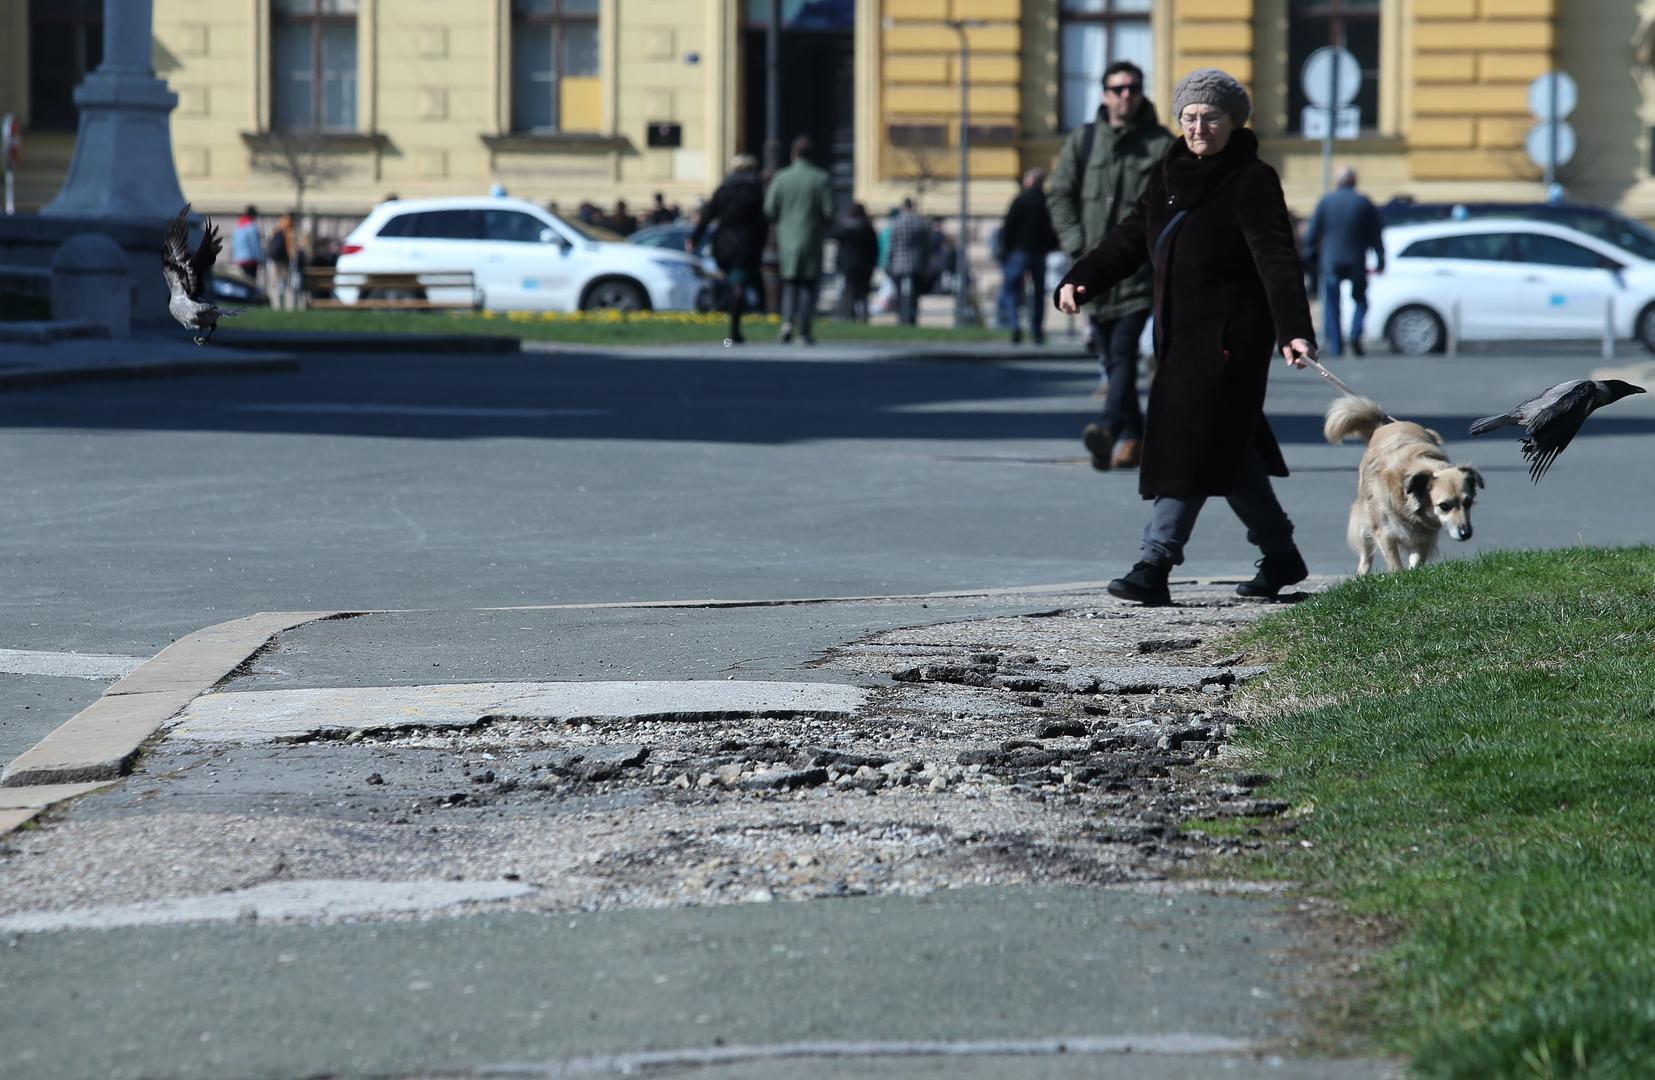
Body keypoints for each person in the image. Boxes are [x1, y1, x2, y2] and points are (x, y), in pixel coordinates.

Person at [1055, 68, 1318, 607]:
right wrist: (1082, 278)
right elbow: (1131, 236)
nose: (1198, 127)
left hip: (1229, 341)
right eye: (1189, 117)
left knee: (1190, 442)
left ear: (1233, 121)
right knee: (1231, 450)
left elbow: (1276, 257)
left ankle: (1154, 563)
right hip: (1178, 337)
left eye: (1210, 117)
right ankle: (1281, 556)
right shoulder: (1170, 171)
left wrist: (1293, 330)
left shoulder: (1252, 178)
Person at [1050, 59, 1174, 471]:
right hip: (1093, 273)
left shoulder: (1160, 144)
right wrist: (1075, 247)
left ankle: (1106, 427)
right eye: (1118, 88)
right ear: (1104, 94)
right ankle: (1135, 437)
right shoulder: (1084, 141)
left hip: (1139, 275)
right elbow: (1060, 194)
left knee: (1122, 353)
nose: (1126, 95)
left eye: (1133, 88)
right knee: (1109, 357)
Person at [1300, 165, 1385, 357]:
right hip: (1356, 260)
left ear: (1337, 182)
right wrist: (1380, 258)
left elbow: (1312, 233)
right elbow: (1375, 234)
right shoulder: (1364, 202)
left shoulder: (1326, 202)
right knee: (1360, 299)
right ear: (1355, 181)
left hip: (1330, 260)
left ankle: (1336, 345)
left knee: (1331, 302)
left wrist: (1310, 256)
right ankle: (1355, 334)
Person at [763, 135, 835, 344]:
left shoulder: (782, 178)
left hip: (787, 239)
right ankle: (804, 330)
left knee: (790, 283)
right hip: (812, 238)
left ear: (794, 154)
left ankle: (786, 323)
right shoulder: (821, 178)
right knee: (807, 285)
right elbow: (829, 211)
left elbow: (769, 209)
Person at [689, 154, 767, 344]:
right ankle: (735, 327)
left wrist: (694, 238)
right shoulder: (756, 191)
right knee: (739, 283)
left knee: (734, 281)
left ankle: (734, 321)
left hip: (724, 244)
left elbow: (707, 216)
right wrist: (762, 243)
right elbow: (763, 221)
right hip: (747, 243)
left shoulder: (723, 190)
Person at [996, 168, 1060, 344]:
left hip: (1019, 252)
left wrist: (1005, 251)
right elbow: (1054, 228)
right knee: (1039, 293)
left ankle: (1015, 325)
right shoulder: (1047, 202)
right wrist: (1051, 246)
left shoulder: (1020, 201)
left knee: (1011, 289)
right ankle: (1036, 329)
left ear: (1030, 181)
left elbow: (1009, 227)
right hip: (1039, 253)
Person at [883, 199, 930, 326]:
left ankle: (901, 317)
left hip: (898, 264)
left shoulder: (896, 223)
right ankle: (912, 317)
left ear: (903, 207)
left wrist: (888, 263)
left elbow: (891, 246)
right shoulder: (921, 223)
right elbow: (926, 246)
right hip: (916, 264)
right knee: (914, 294)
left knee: (899, 293)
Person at [831, 203, 879, 322]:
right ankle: (863, 316)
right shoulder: (867, 228)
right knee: (863, 294)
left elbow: (834, 236)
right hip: (864, 265)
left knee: (847, 291)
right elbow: (874, 249)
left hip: (847, 265)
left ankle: (846, 315)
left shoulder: (843, 227)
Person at [264, 213, 294, 309]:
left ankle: (277, 305)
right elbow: (290, 249)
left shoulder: (277, 228)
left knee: (276, 284)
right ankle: (282, 304)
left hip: (274, 259)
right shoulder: (288, 230)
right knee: (283, 283)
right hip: (282, 261)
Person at [231, 206, 261, 282]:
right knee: (251, 283)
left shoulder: (238, 226)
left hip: (239, 260)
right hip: (250, 260)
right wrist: (260, 259)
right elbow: (255, 245)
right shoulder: (252, 227)